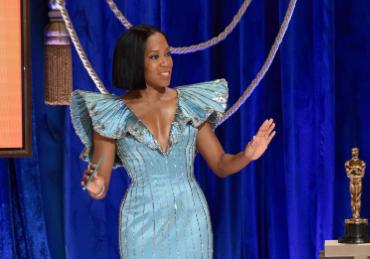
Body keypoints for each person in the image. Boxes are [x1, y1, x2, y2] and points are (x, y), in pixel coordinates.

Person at [70, 24, 276, 259]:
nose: (166, 63)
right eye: (155, 57)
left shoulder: (190, 103)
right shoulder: (111, 114)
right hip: (141, 220)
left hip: (191, 216)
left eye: (167, 54)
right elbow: (101, 180)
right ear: (135, 61)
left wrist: (247, 155)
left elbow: (220, 163)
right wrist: (96, 186)